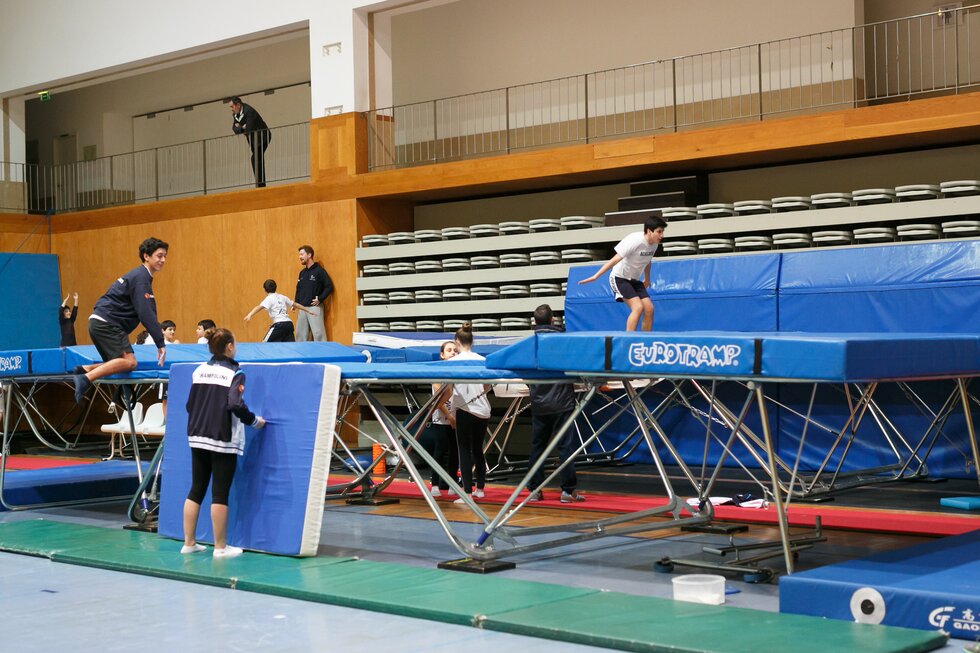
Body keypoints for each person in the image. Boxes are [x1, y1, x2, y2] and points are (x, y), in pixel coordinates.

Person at [181, 327, 266, 559]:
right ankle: (220, 547)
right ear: (229, 346)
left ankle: (189, 542)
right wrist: (255, 421)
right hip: (222, 439)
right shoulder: (235, 373)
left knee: (196, 489)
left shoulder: (199, 371)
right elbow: (235, 404)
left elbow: (189, 405)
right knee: (220, 493)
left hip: (196, 435)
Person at [72, 237, 169, 404]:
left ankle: (85, 370)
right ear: (146, 256)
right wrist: (160, 343)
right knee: (129, 362)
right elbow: (146, 312)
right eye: (159, 256)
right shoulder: (140, 278)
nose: (163, 260)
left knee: (119, 363)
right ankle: (86, 378)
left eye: (165, 256)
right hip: (107, 323)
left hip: (100, 321)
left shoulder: (138, 276)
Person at [525, 304, 584, 503]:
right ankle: (568, 491)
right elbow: (574, 367)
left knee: (537, 448)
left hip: (540, 403)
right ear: (553, 320)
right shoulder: (563, 341)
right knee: (565, 447)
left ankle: (534, 490)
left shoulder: (529, 343)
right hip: (561, 403)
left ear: (535, 322)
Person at [578, 216, 666, 331]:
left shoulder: (654, 244)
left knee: (649, 309)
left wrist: (647, 279)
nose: (662, 235)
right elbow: (615, 259)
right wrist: (596, 276)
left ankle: (645, 340)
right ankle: (628, 341)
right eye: (659, 232)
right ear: (649, 231)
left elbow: (647, 261)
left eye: (662, 232)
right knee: (638, 307)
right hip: (619, 278)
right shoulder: (634, 240)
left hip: (634, 280)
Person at [445, 322, 491, 504]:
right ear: (472, 341)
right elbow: (486, 386)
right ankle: (480, 488)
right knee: (478, 449)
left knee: (464, 450)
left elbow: (449, 389)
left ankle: (467, 493)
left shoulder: (452, 362)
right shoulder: (482, 359)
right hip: (483, 409)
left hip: (465, 409)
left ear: (457, 342)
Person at [428, 341, 459, 498]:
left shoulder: (459, 372)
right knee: (440, 450)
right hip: (441, 417)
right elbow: (439, 400)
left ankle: (453, 483)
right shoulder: (437, 372)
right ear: (442, 355)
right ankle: (434, 484)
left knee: (455, 452)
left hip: (455, 417)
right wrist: (449, 416)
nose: (453, 352)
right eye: (449, 350)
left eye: (455, 350)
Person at [244, 279, 314, 342]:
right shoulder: (282, 297)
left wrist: (249, 315)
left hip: (279, 325)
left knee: (264, 344)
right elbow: (296, 305)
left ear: (264, 290)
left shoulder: (269, 298)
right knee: (289, 347)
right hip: (289, 324)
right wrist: (308, 310)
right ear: (276, 287)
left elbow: (259, 307)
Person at [294, 245, 333, 342]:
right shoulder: (302, 273)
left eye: (302, 254)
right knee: (300, 335)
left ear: (309, 255)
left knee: (318, 334)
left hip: (314, 308)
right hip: (302, 308)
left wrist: (320, 299)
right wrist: (295, 303)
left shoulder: (319, 271)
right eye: (299, 255)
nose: (300, 257)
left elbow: (329, 286)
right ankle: (301, 356)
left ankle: (322, 355)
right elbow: (298, 289)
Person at [229, 96, 271, 188]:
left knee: (255, 159)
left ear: (238, 105)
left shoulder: (249, 111)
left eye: (232, 106)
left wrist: (240, 127)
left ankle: (261, 184)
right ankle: (261, 183)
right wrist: (242, 127)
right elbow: (234, 129)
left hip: (262, 137)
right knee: (257, 159)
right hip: (253, 140)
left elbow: (249, 129)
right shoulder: (236, 114)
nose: (231, 109)